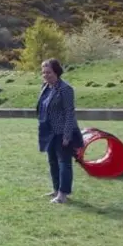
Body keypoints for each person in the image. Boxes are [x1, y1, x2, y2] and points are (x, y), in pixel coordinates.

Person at [37, 58, 84, 204]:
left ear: (56, 72)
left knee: (64, 163)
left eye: (49, 72)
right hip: (49, 132)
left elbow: (70, 113)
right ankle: (56, 190)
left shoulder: (65, 89)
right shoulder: (46, 87)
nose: (46, 75)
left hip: (63, 132)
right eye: (43, 73)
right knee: (52, 162)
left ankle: (63, 194)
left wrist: (67, 135)